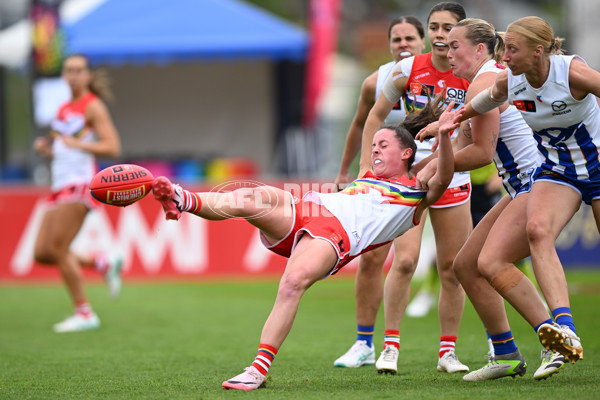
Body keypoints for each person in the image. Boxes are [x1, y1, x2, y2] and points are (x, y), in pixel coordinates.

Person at [151, 98, 459, 391]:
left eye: (383, 146)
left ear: (407, 154)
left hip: (336, 235)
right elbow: (368, 119)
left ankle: (256, 370)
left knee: (291, 284)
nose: (375, 150)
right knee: (248, 198)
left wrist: (445, 134)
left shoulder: (416, 192)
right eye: (374, 145)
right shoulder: (368, 175)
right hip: (309, 208)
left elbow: (444, 174)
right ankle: (181, 199)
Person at [422, 16, 598, 378]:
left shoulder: (565, 72)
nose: (445, 50)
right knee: (471, 263)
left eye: (455, 45)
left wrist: (423, 170)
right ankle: (524, 348)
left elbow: (481, 152)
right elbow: (476, 114)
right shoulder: (504, 80)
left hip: (555, 175)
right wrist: (442, 133)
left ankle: (554, 342)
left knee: (486, 262)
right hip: (553, 175)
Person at [342, 2, 471, 375]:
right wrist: (367, 166)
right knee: (405, 261)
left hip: (452, 175)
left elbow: (475, 137)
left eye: (448, 27)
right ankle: (389, 348)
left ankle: (447, 353)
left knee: (451, 267)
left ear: (462, 32)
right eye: (434, 27)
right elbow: (374, 116)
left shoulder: (473, 75)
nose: (441, 34)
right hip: (409, 179)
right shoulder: (409, 69)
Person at [332, 15, 431, 367]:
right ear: (389, 45)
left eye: (410, 38)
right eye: (397, 39)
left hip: (433, 177)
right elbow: (361, 124)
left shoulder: (441, 77)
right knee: (373, 258)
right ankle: (364, 344)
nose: (403, 45)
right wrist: (349, 170)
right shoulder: (377, 81)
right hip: (386, 181)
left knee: (415, 261)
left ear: (424, 42)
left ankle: (403, 344)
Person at [33, 54, 123, 333]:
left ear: (88, 75)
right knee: (43, 252)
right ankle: (102, 261)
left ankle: (84, 313)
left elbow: (112, 147)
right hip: (59, 184)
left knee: (58, 249)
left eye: (79, 70)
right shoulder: (63, 108)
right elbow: (64, 146)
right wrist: (48, 149)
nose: (73, 75)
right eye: (69, 70)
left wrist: (76, 144)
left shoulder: (93, 107)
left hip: (80, 183)